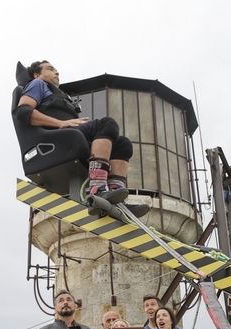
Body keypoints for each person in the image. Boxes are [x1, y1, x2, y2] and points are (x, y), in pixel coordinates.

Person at [14, 60, 147, 217]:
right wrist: (61, 123)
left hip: (70, 136)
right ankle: (97, 187)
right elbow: (22, 112)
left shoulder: (61, 96)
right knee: (107, 124)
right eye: (50, 69)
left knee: (122, 144)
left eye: (57, 70)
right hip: (54, 142)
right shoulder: (38, 84)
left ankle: (115, 195)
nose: (56, 72)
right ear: (37, 74)